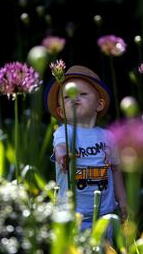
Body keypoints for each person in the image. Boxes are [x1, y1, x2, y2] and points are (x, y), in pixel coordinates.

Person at [44, 65, 127, 232]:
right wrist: (62, 155)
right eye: (67, 97)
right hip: (72, 214)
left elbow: (116, 170)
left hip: (104, 215)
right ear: (61, 112)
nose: (75, 98)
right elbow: (60, 146)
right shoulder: (64, 132)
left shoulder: (108, 136)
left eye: (82, 94)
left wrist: (123, 200)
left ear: (99, 104)